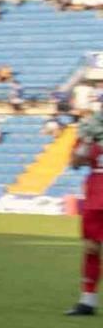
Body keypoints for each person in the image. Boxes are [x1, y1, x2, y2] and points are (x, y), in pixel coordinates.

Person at [67, 117, 103, 316]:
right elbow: (74, 162)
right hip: (97, 195)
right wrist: (86, 143)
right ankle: (88, 301)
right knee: (91, 248)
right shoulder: (91, 131)